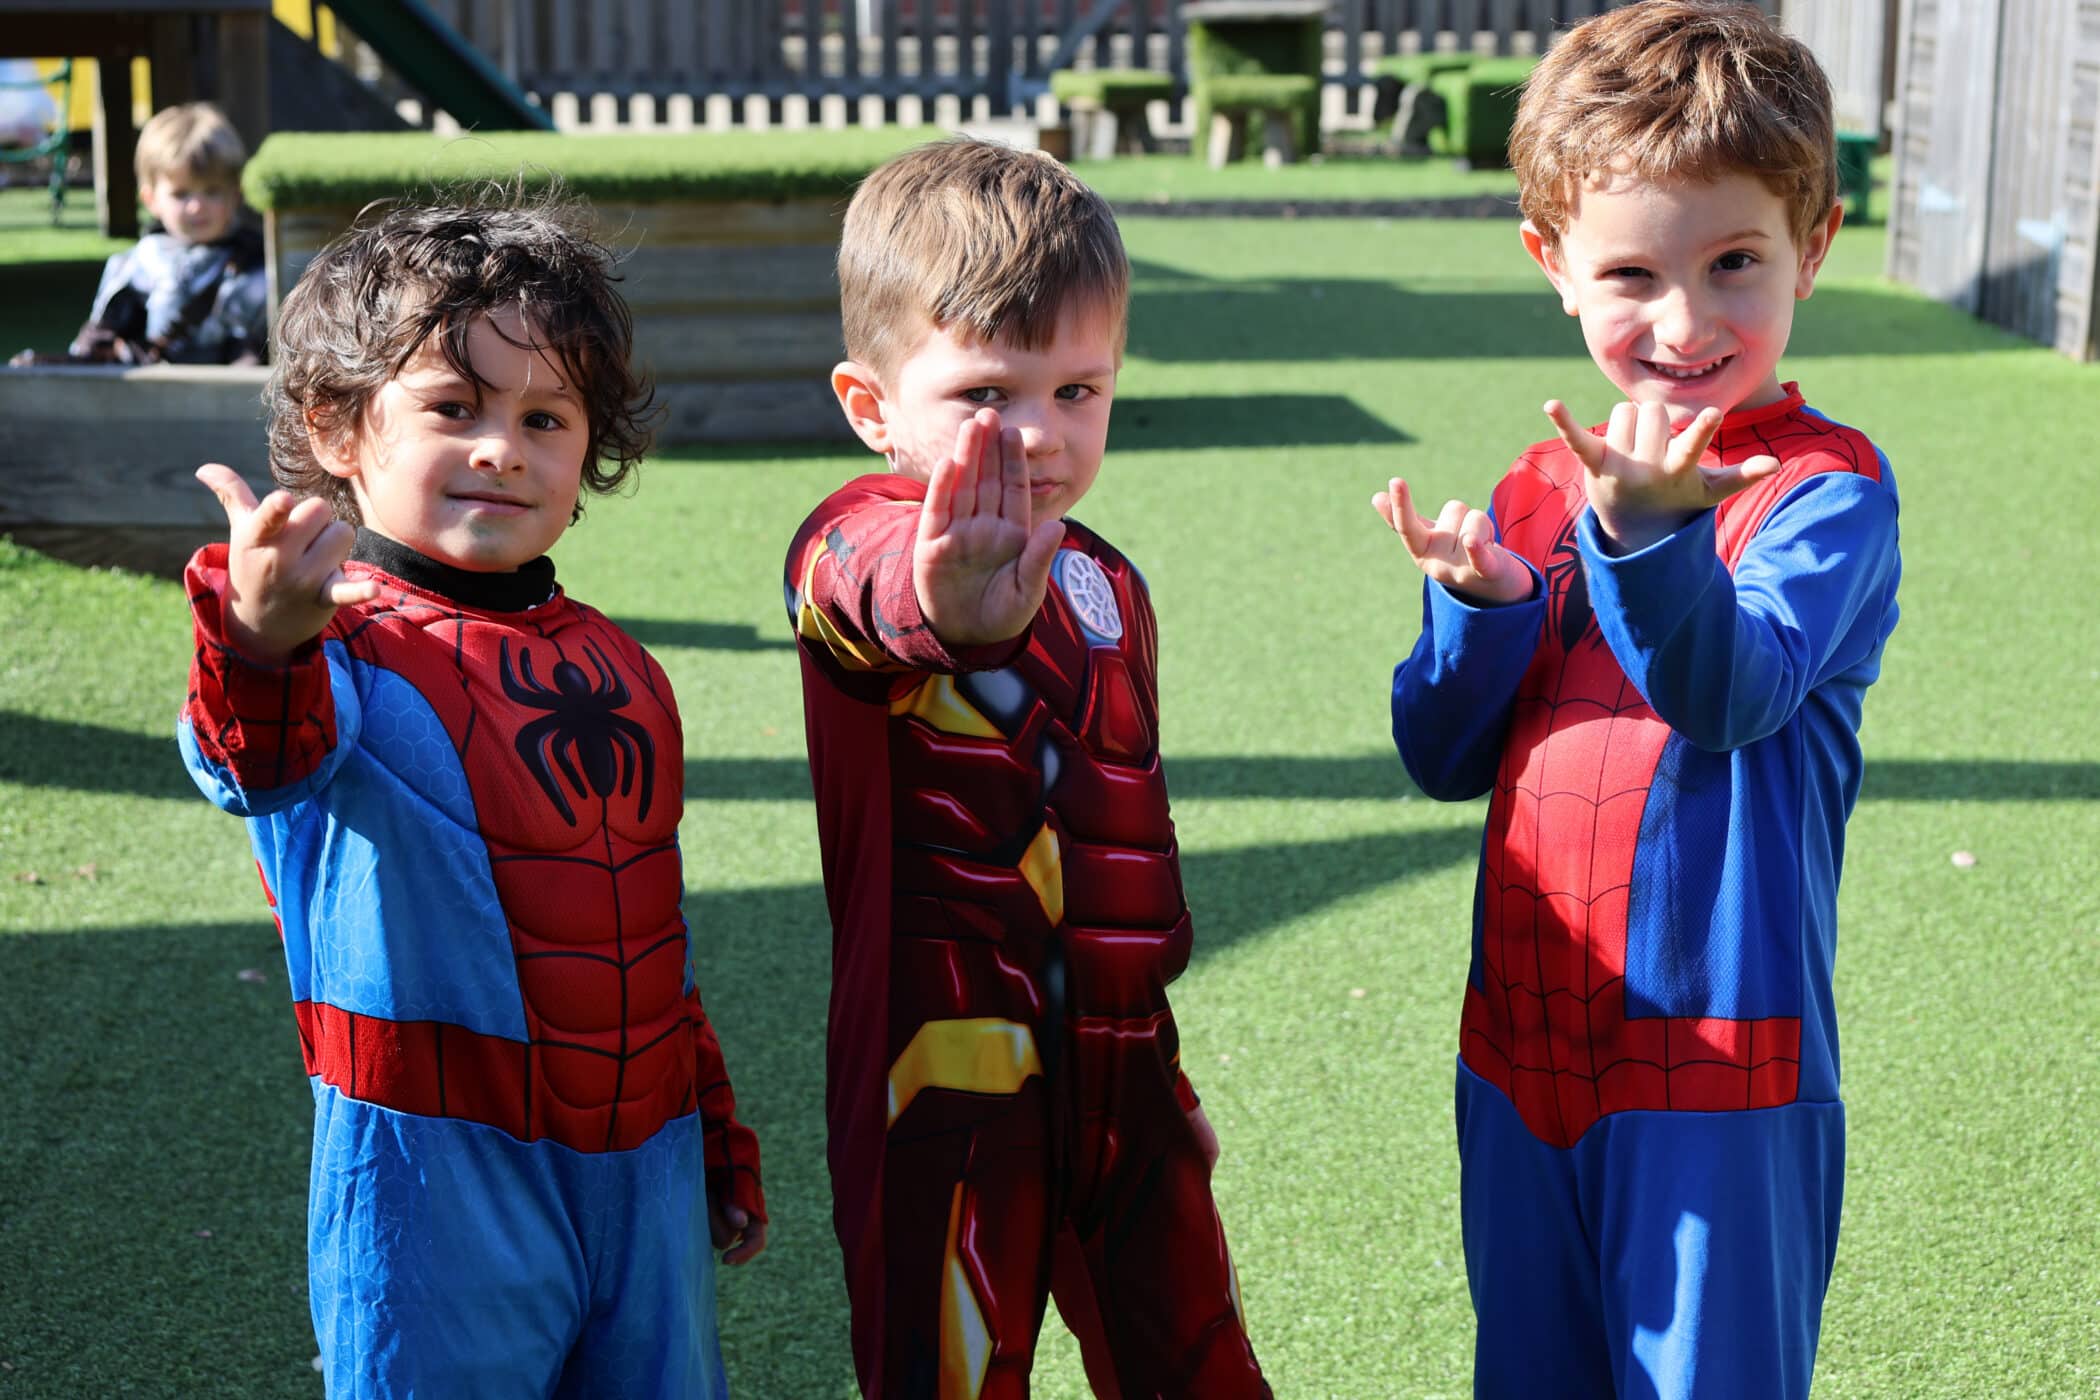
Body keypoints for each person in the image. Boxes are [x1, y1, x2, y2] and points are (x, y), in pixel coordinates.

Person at [1376, 3, 1901, 1396]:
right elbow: (1439, 754)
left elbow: (1728, 694)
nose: (1685, 322)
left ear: (1816, 246)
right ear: (1553, 265)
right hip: (1524, 1047)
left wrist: (1656, 535)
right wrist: (1477, 610)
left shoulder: (1825, 494)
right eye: (1631, 274)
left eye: (1735, 262)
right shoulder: (1537, 488)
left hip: (1724, 1068)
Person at [176, 191, 766, 1398]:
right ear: (339, 426)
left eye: (545, 416)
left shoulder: (623, 666)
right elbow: (250, 759)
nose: (502, 446)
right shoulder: (332, 647)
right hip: (430, 1165)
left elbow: (648, 922)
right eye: (454, 408)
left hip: (642, 1159)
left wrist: (706, 1116)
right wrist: (254, 632)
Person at [783, 137, 1270, 1398]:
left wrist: (1159, 1080)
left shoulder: (1110, 583)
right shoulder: (856, 541)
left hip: (1122, 1078)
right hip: (939, 1081)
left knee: (1202, 1366)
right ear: (871, 403)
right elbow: (872, 601)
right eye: (987, 394)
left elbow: (1125, 854)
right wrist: (949, 605)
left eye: (1079, 390)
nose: (1038, 435)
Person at [11, 101, 266, 367]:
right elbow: (98, 339)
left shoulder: (256, 266)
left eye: (212, 191)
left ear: (236, 194)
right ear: (150, 198)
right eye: (181, 194)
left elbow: (257, 354)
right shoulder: (139, 262)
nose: (196, 206)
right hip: (145, 394)